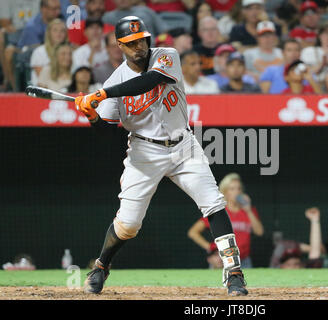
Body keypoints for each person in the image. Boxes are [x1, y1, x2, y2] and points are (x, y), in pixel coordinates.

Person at [75, 16, 249, 296]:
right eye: (131, 43)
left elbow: (149, 81)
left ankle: (235, 274)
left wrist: (102, 93)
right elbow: (106, 134)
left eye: (142, 39)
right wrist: (93, 116)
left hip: (184, 144)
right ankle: (101, 267)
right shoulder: (116, 79)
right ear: (120, 45)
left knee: (213, 203)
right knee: (129, 224)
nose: (139, 46)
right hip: (144, 151)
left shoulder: (166, 56)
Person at [188, 173, 264, 269]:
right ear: (225, 192)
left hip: (243, 261)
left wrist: (248, 210)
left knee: (245, 284)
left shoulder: (248, 210)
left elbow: (259, 232)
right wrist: (210, 247)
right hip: (222, 261)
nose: (237, 192)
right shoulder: (219, 211)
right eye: (232, 189)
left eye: (239, 188)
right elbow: (193, 232)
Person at [0, 0, 40, 90]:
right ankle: (13, 87)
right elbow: (4, 22)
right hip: (16, 34)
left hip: (35, 32)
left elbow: (41, 16)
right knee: (3, 39)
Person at [102, 0, 168, 44]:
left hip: (153, 48)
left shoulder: (145, 10)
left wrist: (161, 42)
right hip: (125, 54)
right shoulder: (108, 17)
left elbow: (164, 31)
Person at [30, 18, 68, 86]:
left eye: (62, 31)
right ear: (49, 33)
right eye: (55, 30)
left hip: (67, 87)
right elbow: (42, 77)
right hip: (45, 88)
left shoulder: (69, 52)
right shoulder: (39, 52)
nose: (59, 33)